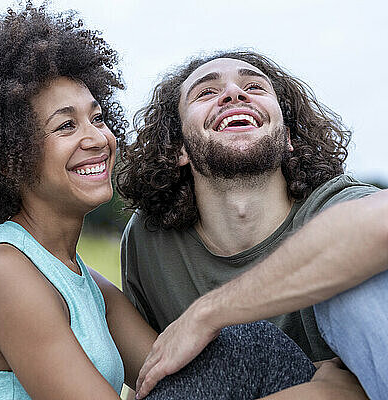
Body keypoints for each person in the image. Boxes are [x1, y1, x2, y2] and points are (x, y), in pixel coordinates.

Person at [0, 7, 367, 398]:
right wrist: (323, 391)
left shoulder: (89, 287)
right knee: (252, 349)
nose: (96, 139)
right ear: (11, 155)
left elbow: (176, 378)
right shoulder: (3, 274)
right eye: (65, 127)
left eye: (97, 118)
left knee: (245, 347)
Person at [116, 50, 388, 399]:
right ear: (178, 148)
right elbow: (156, 383)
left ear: (288, 137)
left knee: (362, 275)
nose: (233, 93)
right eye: (205, 93)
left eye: (255, 87)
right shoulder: (150, 241)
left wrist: (206, 314)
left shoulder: (334, 204)